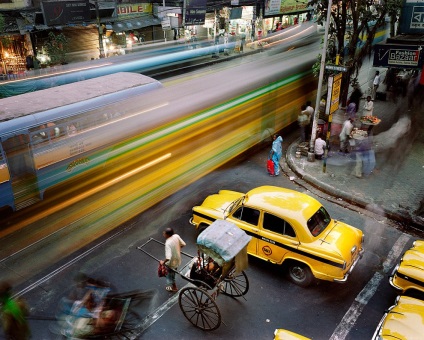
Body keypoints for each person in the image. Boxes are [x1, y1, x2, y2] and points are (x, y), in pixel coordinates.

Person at [160, 228, 186, 292]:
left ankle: (173, 287)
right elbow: (183, 244)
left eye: (164, 233)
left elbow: (168, 257)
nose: (163, 233)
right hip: (178, 259)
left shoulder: (168, 243)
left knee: (170, 275)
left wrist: (163, 262)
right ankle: (174, 284)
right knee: (173, 272)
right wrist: (178, 249)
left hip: (171, 263)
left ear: (168, 235)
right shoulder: (176, 236)